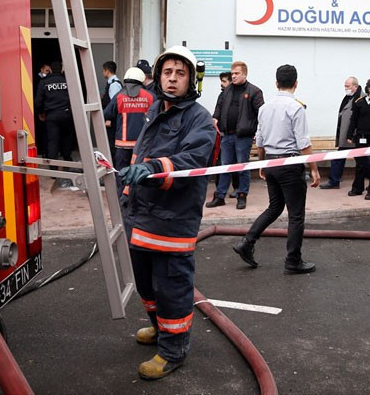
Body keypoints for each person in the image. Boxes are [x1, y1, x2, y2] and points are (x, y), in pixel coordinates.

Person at [117, 45, 216, 380]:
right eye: (168, 72)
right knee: (146, 285)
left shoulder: (198, 118)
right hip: (141, 218)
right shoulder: (155, 110)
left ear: (191, 80)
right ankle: (160, 330)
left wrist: (153, 168)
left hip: (172, 222)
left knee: (171, 288)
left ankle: (173, 351)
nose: (173, 79)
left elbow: (192, 161)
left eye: (180, 73)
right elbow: (138, 157)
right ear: (158, 77)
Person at [232, 64, 321, 274]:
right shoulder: (296, 108)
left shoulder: (265, 108)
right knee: (296, 215)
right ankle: (293, 260)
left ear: (276, 83)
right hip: (290, 165)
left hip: (271, 162)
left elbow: (260, 141)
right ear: (296, 84)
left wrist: (263, 164)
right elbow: (303, 143)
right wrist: (314, 169)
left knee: (274, 208)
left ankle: (247, 242)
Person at [206, 61, 264, 210]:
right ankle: (220, 196)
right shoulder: (226, 91)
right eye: (232, 73)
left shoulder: (254, 92)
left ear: (245, 74)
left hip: (243, 137)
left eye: (236, 73)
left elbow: (262, 115)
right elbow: (219, 107)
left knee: (242, 167)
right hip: (227, 135)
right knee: (225, 167)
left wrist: (258, 132)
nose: (233, 76)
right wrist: (215, 117)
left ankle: (242, 195)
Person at [104, 66, 154, 195]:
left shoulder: (119, 96)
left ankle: (121, 200)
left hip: (122, 145)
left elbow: (106, 114)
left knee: (121, 174)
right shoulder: (150, 97)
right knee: (142, 174)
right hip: (143, 145)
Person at [34, 61, 75, 186]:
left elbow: (38, 101)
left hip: (52, 115)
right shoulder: (68, 81)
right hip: (67, 114)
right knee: (67, 139)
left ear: (50, 70)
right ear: (61, 69)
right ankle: (67, 164)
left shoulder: (44, 82)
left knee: (53, 141)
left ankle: (53, 170)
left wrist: (40, 112)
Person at [320, 76, 364, 189]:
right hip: (347, 136)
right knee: (361, 160)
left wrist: (352, 134)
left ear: (355, 86)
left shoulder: (360, 98)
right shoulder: (349, 97)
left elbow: (360, 118)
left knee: (342, 158)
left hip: (352, 136)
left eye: (348, 86)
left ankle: (334, 181)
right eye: (345, 86)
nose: (345, 88)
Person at [102, 61, 123, 158]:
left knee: (111, 144)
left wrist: (109, 118)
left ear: (107, 71)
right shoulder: (111, 83)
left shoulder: (114, 84)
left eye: (103, 70)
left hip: (112, 121)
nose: (103, 73)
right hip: (110, 120)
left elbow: (114, 103)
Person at [33, 63, 52, 158]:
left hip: (46, 110)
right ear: (41, 70)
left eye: (50, 71)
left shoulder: (49, 80)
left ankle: (45, 150)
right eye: (47, 71)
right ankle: (42, 150)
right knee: (41, 131)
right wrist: (40, 111)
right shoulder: (36, 80)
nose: (48, 73)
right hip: (38, 110)